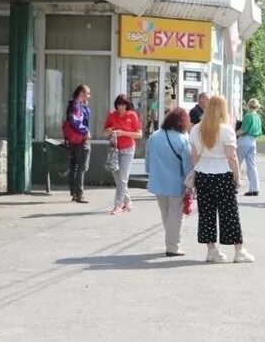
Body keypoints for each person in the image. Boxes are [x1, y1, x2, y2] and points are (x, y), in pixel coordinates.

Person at [190, 94, 254, 263]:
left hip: (203, 174)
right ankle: (238, 251)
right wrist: (237, 176)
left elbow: (194, 155)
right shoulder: (226, 130)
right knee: (230, 213)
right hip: (223, 174)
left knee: (206, 214)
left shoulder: (196, 128)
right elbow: (232, 156)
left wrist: (196, 173)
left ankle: (212, 250)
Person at [145, 107, 193, 257]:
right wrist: (190, 184)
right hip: (176, 183)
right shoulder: (183, 139)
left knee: (165, 212)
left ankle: (170, 241)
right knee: (175, 214)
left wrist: (151, 173)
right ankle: (173, 246)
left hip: (157, 181)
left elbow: (148, 161)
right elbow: (187, 164)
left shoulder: (154, 137)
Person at [103, 94, 143, 215]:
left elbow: (139, 134)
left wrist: (123, 133)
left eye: (123, 105)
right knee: (117, 177)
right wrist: (109, 131)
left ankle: (118, 205)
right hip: (114, 150)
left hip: (128, 149)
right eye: (119, 104)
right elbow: (104, 133)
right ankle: (128, 201)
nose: (121, 107)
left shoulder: (132, 115)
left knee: (123, 178)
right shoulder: (111, 115)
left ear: (127, 105)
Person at [63, 84, 92, 204]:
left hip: (73, 140)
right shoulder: (77, 106)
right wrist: (86, 131)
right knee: (82, 167)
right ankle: (79, 194)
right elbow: (76, 122)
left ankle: (74, 193)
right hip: (81, 140)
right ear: (81, 93)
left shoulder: (73, 105)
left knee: (74, 166)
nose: (89, 96)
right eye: (87, 93)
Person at [237, 98, 263, 196]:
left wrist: (234, 134)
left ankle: (234, 185)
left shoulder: (248, 115)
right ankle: (254, 188)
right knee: (252, 165)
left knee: (236, 163)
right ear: (257, 107)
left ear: (249, 105)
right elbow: (260, 131)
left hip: (244, 140)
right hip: (253, 140)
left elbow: (243, 129)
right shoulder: (258, 117)